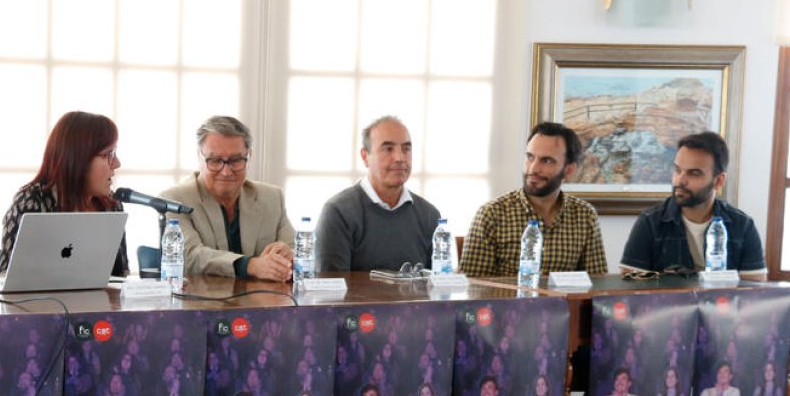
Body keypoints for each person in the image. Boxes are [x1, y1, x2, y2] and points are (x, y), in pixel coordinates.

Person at [459, 121, 607, 277]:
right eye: (530, 157)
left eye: (547, 161)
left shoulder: (585, 215)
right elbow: (473, 289)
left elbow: (596, 284)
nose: (533, 168)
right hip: (507, 302)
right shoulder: (492, 214)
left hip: (563, 302)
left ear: (568, 170)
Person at [159, 116, 294, 281]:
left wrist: (288, 256)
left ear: (249, 157)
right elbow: (190, 256)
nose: (226, 171)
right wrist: (249, 265)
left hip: (263, 301)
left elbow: (300, 252)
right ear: (199, 158)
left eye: (236, 160)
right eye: (215, 161)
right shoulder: (174, 200)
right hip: (201, 302)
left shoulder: (272, 197)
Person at [619, 131, 766, 280]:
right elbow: (629, 288)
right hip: (668, 303)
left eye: (694, 173)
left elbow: (756, 293)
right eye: (677, 170)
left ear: (719, 181)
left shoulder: (742, 226)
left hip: (724, 303)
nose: (680, 181)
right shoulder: (650, 222)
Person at [0, 111, 129, 275]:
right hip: (40, 301)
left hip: (102, 300)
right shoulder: (32, 200)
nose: (117, 164)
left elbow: (121, 277)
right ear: (78, 159)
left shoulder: (113, 206)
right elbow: (8, 278)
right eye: (107, 155)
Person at [316, 116, 442, 272]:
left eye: (406, 149)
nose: (399, 158)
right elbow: (330, 290)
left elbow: (437, 287)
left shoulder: (429, 214)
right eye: (388, 149)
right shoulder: (338, 212)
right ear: (365, 157)